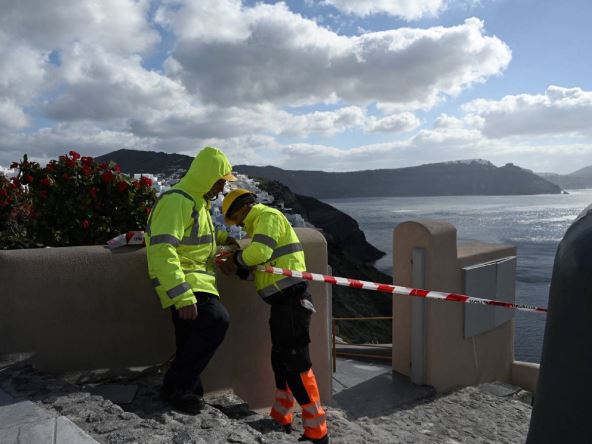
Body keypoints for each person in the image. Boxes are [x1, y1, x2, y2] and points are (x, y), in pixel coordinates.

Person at [217, 189, 329, 444]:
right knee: (280, 361)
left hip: (291, 302)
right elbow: (262, 270)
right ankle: (282, 416)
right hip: (282, 304)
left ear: (244, 208)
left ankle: (317, 433)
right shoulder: (258, 226)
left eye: (238, 219)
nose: (240, 225)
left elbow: (258, 254)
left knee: (296, 365)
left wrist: (234, 259)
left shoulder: (267, 216)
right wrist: (237, 269)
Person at [145, 146, 237, 414]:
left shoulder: (198, 203)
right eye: (220, 181)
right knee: (217, 319)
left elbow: (200, 237)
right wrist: (181, 294)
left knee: (188, 339)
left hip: (194, 281)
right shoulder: (177, 201)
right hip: (185, 283)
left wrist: (224, 240)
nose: (221, 189)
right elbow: (163, 249)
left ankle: (188, 393)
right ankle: (175, 386)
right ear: (207, 177)